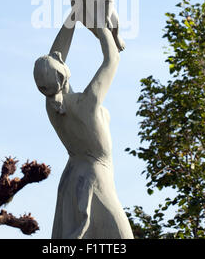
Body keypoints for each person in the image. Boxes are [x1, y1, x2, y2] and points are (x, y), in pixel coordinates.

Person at [33, 16, 134, 239]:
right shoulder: (86, 104)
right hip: (95, 180)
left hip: (71, 181)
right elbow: (113, 59)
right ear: (63, 74)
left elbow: (54, 56)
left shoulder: (51, 105)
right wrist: (99, 23)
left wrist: (75, 14)